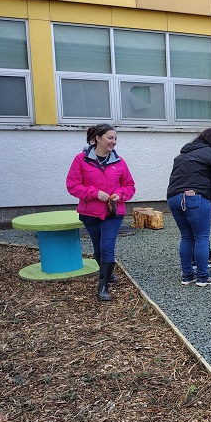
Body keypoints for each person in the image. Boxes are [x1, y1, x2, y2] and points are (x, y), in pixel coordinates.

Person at [66, 124, 136, 301]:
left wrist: (119, 195)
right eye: (110, 138)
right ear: (98, 138)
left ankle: (102, 286)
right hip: (90, 213)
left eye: (115, 138)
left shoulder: (119, 162)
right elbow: (72, 186)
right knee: (98, 248)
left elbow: (130, 186)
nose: (114, 142)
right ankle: (109, 273)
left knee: (107, 247)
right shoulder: (80, 160)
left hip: (113, 213)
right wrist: (95, 193)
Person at [166, 128, 211, 287]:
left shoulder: (183, 154)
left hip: (173, 197)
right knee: (201, 237)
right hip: (196, 197)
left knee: (186, 237)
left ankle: (187, 275)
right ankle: (203, 277)